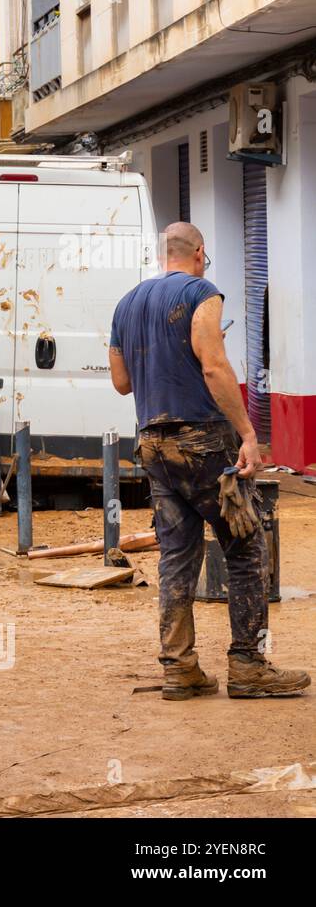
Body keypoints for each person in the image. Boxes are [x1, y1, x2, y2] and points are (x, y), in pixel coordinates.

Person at [109, 222, 309, 700]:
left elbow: (121, 381)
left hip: (152, 443)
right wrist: (247, 434)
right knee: (246, 546)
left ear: (165, 255)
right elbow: (214, 364)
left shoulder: (127, 303)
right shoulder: (203, 291)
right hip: (202, 441)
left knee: (177, 556)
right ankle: (248, 664)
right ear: (199, 253)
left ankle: (180, 668)